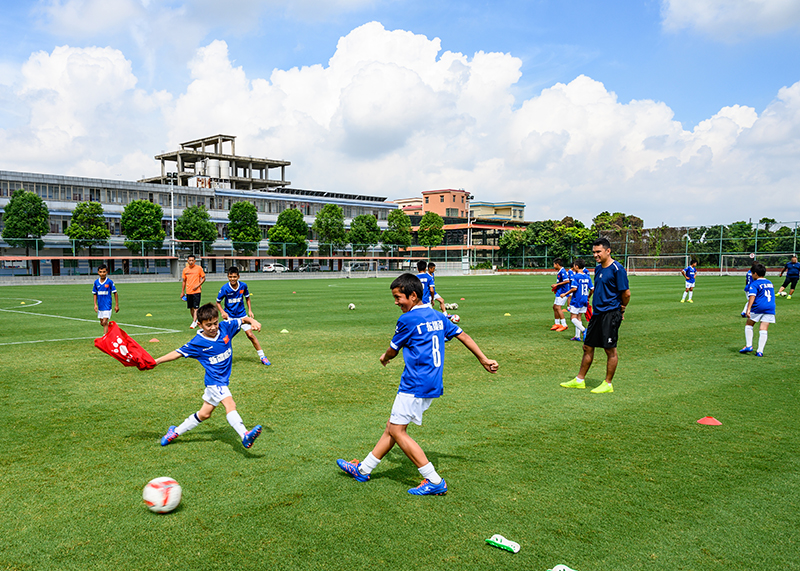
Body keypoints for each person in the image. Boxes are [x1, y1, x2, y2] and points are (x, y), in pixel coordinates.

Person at [336, 273, 498, 495]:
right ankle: (363, 469)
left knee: (397, 430)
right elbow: (464, 336)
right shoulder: (437, 316)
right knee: (392, 427)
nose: (396, 302)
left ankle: (434, 480)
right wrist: (483, 359)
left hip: (415, 382)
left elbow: (393, 349)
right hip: (432, 381)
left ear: (413, 295)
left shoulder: (407, 320)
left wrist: (384, 358)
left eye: (398, 297)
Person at [154, 303, 263, 449]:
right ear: (199, 325)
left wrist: (252, 321)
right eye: (208, 325)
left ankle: (175, 432)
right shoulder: (198, 342)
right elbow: (177, 353)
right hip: (215, 382)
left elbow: (242, 319)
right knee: (230, 404)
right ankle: (245, 435)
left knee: (204, 414)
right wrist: (157, 361)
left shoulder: (225, 328)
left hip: (221, 381)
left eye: (215, 323)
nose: (213, 327)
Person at [561, 238, 630, 394]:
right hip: (597, 313)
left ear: (608, 251)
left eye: (598, 251)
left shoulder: (617, 269)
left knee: (610, 349)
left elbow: (626, 294)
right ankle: (579, 380)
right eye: (594, 252)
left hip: (610, 313)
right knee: (587, 346)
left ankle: (608, 383)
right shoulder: (598, 269)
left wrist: (621, 310)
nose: (595, 255)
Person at [216, 266, 271, 366]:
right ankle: (221, 358)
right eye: (230, 277)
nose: (232, 279)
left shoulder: (243, 286)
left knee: (250, 335)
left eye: (234, 277)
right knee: (226, 338)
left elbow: (247, 298)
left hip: (242, 315)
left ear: (238, 276)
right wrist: (223, 312)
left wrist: (250, 310)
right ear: (227, 277)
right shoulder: (224, 288)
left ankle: (263, 356)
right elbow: (218, 302)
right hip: (230, 317)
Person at [739, 263, 776, 357]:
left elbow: (752, 296)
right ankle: (760, 351)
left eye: (752, 273)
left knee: (749, 324)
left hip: (758, 307)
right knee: (763, 329)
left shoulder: (755, 284)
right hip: (770, 307)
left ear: (755, 273)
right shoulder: (769, 282)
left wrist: (748, 309)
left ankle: (749, 346)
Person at [560, 259, 593, 341]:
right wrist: (588, 296)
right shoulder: (587, 277)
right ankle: (577, 336)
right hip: (584, 299)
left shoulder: (576, 277)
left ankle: (584, 330)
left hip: (577, 299)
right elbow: (592, 289)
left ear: (576, 266)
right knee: (579, 317)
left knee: (573, 318)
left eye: (574, 265)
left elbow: (574, 288)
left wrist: (565, 294)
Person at [92, 264, 119, 336]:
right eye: (100, 272)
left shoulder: (109, 282)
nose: (102, 274)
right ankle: (110, 330)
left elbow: (115, 293)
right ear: (98, 272)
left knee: (104, 322)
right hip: (100, 306)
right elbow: (94, 293)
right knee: (102, 323)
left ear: (107, 272)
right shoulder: (96, 282)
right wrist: (95, 305)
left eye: (104, 272)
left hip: (107, 305)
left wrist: (116, 305)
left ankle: (105, 337)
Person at [182, 254, 206, 329]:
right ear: (187, 261)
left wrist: (198, 285)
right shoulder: (185, 270)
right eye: (190, 260)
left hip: (197, 291)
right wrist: (182, 292)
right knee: (191, 308)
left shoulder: (199, 268)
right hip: (188, 291)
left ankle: (194, 322)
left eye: (192, 260)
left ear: (195, 261)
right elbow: (184, 281)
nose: (191, 262)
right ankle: (196, 321)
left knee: (196, 308)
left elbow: (204, 278)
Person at [550, 258, 570, 331]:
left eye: (554, 264)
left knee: (558, 307)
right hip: (559, 292)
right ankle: (557, 323)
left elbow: (567, 281)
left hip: (563, 292)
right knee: (555, 307)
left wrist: (556, 284)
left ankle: (564, 325)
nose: (553, 266)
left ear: (557, 264)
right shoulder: (560, 271)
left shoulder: (563, 271)